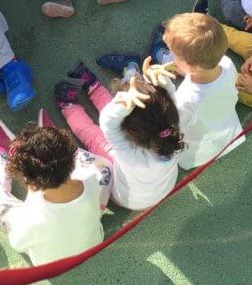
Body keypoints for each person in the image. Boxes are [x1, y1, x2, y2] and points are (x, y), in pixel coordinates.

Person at [98, 13, 244, 169]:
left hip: (198, 149)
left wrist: (159, 82)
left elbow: (171, 118)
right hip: (227, 134)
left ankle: (131, 72)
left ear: (189, 67)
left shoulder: (188, 98)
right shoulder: (226, 63)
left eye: (172, 54)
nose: (172, 57)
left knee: (141, 100)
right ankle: (151, 59)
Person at [0, 114, 111, 266]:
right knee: (105, 168)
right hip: (92, 244)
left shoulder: (30, 218)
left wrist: (32, 190)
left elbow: (17, 244)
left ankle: (1, 154)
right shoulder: (91, 180)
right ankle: (52, 149)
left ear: (29, 183)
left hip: (49, 262)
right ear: (72, 159)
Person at [54, 65, 184, 210]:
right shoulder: (175, 126)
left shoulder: (132, 155)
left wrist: (125, 102)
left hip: (125, 197)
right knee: (118, 109)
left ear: (131, 131)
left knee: (94, 137)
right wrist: (162, 82)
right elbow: (169, 102)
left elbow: (108, 122)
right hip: (161, 188)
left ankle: (68, 105)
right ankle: (93, 88)